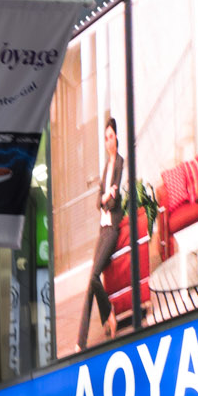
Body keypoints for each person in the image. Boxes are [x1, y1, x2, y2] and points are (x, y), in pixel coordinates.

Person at [78, 114, 129, 351]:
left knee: (93, 278)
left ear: (116, 137)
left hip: (112, 229)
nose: (108, 141)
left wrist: (107, 197)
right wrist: (106, 195)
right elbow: (99, 202)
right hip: (102, 228)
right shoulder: (106, 168)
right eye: (105, 138)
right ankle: (81, 341)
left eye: (111, 136)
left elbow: (113, 203)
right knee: (92, 282)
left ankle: (109, 316)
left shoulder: (119, 163)